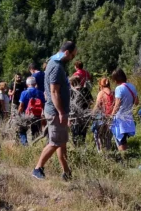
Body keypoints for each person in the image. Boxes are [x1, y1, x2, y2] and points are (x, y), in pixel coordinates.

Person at [32, 41, 76, 180]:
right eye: (72, 55)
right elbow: (54, 92)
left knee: (61, 142)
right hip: (56, 111)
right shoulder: (56, 66)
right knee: (55, 142)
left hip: (55, 110)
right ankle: (37, 169)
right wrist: (61, 112)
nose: (72, 58)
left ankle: (66, 172)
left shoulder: (52, 61)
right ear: (67, 53)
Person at [110, 68, 138, 152]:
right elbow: (136, 102)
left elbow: (117, 104)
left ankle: (123, 158)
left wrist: (111, 115)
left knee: (120, 139)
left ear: (115, 79)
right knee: (124, 138)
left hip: (120, 117)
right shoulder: (132, 86)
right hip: (128, 116)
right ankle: (126, 155)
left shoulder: (119, 88)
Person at [17, 76, 45, 146]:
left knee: (22, 130)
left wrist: (18, 115)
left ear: (27, 84)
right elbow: (43, 105)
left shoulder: (24, 93)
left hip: (26, 115)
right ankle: (35, 145)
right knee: (35, 132)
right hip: (37, 115)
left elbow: (21, 106)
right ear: (35, 83)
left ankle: (25, 144)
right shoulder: (40, 93)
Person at [91, 78, 115, 153]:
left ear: (101, 84)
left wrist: (92, 114)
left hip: (102, 117)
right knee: (108, 136)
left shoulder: (101, 93)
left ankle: (101, 152)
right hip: (111, 117)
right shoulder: (113, 92)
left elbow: (97, 105)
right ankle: (109, 151)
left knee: (97, 134)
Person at [69, 73, 93, 145]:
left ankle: (77, 149)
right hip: (85, 115)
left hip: (74, 116)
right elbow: (91, 101)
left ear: (72, 83)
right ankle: (82, 147)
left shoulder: (70, 92)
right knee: (83, 134)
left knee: (75, 135)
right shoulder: (85, 90)